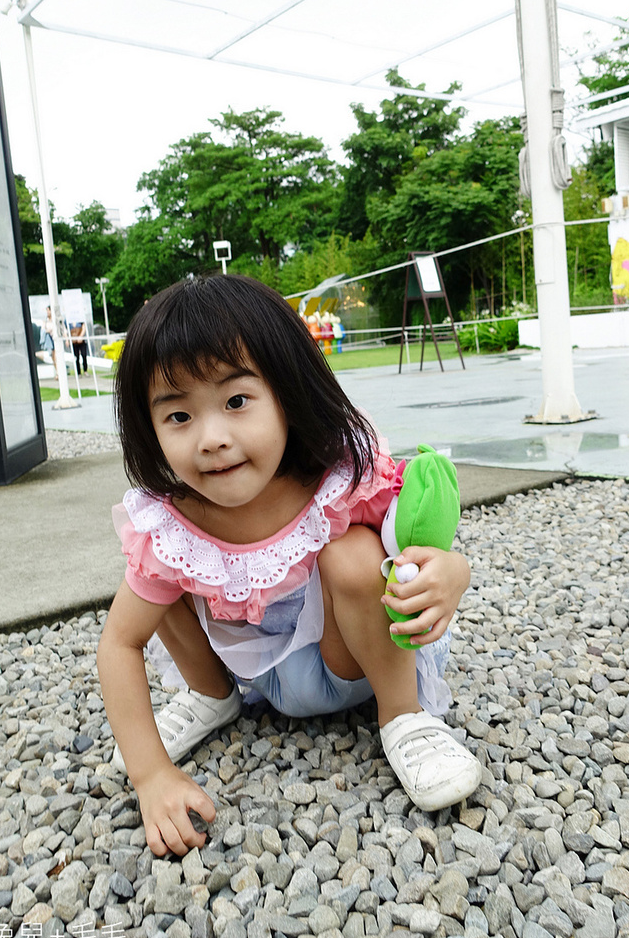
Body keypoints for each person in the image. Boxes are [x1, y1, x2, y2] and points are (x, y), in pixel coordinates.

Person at [98, 274, 481, 857]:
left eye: (236, 401)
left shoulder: (335, 481)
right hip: (253, 681)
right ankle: (210, 695)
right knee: (161, 570)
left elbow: (419, 544)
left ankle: (405, 719)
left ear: (287, 391)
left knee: (353, 552)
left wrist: (452, 573)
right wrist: (150, 774)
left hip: (347, 660)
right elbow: (119, 644)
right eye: (179, 416)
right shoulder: (174, 522)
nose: (212, 438)